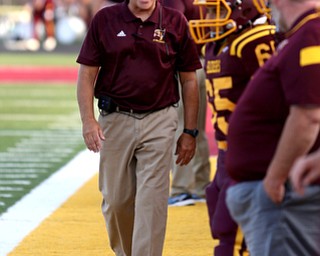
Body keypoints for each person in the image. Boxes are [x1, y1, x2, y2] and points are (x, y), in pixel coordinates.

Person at [76, 0, 201, 255]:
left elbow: (189, 80)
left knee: (152, 201)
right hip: (115, 118)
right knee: (116, 201)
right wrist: (88, 120)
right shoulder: (105, 19)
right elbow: (87, 73)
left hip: (160, 119)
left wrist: (189, 131)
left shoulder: (176, 21)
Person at [225, 0, 320, 255]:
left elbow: (308, 116)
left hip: (282, 194)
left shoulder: (310, 34)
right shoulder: (302, 33)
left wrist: (275, 178)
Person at [188, 0, 276, 255]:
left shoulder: (257, 40)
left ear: (244, 8)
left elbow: (276, 99)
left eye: (216, 10)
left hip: (250, 153)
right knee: (220, 213)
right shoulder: (221, 43)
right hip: (228, 153)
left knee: (233, 235)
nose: (209, 17)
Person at [162, 0, 211, 207]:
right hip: (203, 62)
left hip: (185, 67)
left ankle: (182, 188)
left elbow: (174, 25)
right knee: (197, 129)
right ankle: (201, 185)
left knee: (183, 127)